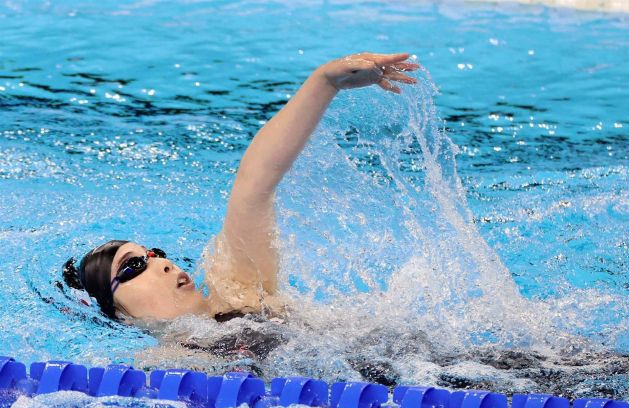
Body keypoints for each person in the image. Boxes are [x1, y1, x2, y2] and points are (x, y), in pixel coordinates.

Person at [62, 52, 420, 324]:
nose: (165, 264)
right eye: (135, 265)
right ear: (119, 314)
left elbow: (254, 183)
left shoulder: (239, 290)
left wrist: (324, 82)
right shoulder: (158, 371)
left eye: (154, 254)